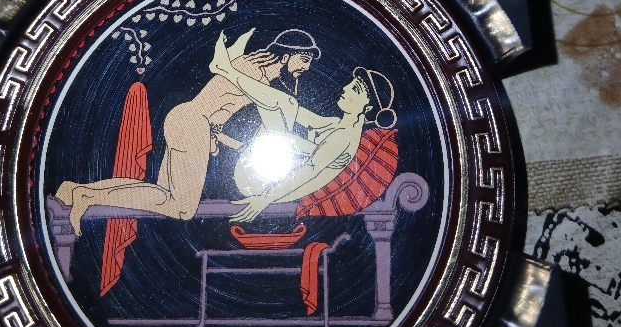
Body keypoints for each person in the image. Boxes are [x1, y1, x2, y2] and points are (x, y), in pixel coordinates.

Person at [56, 28, 320, 235]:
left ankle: (76, 191)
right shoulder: (253, 73)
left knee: (162, 194)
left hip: (189, 121)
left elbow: (218, 110)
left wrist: (232, 143)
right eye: (304, 59)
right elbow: (268, 113)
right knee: (182, 208)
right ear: (286, 55)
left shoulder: (258, 74)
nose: (306, 68)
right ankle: (88, 196)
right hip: (192, 124)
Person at [207, 31, 396, 223]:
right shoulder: (336, 125)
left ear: (367, 108)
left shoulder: (344, 136)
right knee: (287, 104)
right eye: (350, 84)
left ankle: (224, 69)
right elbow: (300, 116)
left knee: (285, 103)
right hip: (265, 173)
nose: (345, 89)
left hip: (262, 183)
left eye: (355, 89)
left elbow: (309, 170)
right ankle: (226, 74)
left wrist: (265, 198)